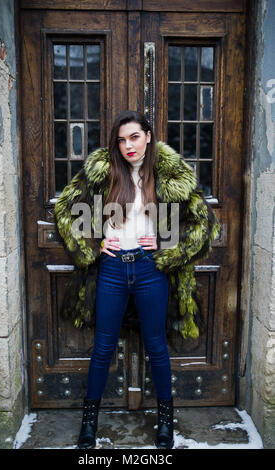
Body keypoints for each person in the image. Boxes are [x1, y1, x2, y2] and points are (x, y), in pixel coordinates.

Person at [54, 110, 220, 449]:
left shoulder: (168, 173)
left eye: (134, 137)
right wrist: (92, 242)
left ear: (148, 136)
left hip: (150, 269)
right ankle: (89, 424)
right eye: (121, 139)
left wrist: (166, 242)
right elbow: (65, 210)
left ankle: (164, 423)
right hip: (113, 268)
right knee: (102, 348)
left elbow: (203, 224)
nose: (128, 145)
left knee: (157, 347)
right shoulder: (104, 171)